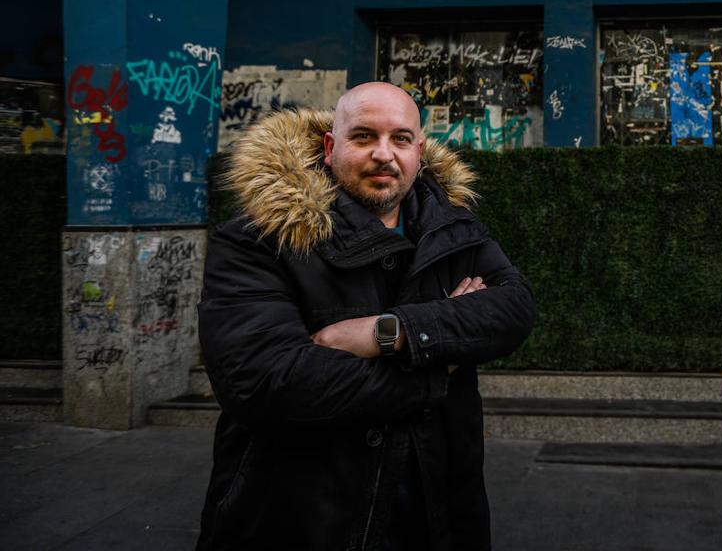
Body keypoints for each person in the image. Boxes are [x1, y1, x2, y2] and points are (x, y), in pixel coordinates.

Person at [197, 82, 535, 550]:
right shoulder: (260, 238)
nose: (384, 154)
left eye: (399, 139)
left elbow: (513, 307)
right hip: (299, 522)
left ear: (419, 150)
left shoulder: (451, 227)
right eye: (363, 137)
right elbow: (264, 382)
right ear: (331, 146)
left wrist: (389, 334)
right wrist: (440, 366)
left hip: (438, 517)